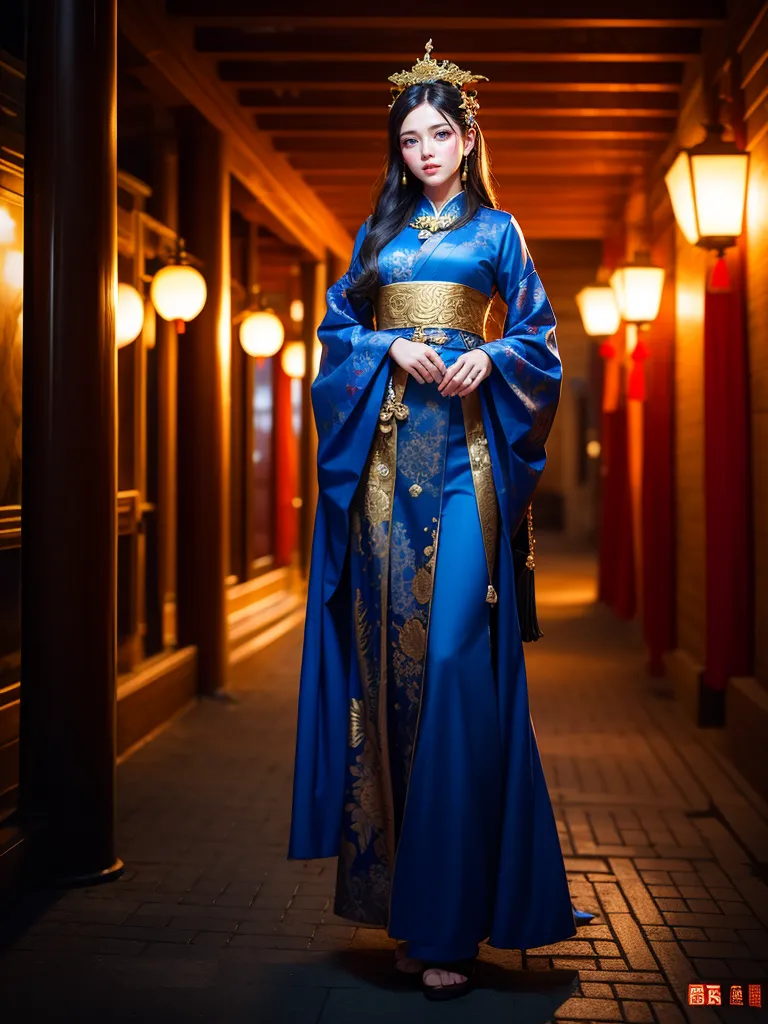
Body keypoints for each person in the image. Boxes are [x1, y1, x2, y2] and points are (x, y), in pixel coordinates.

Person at [288, 40, 588, 1002]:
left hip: (465, 471)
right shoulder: (374, 238)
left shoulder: (499, 231)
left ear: (467, 139)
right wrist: (386, 345)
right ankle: (417, 923)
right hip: (386, 478)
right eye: (409, 138)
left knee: (457, 663)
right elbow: (333, 336)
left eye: (439, 134)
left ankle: (455, 919)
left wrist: (489, 360)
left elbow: (539, 337)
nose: (424, 150)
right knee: (394, 679)